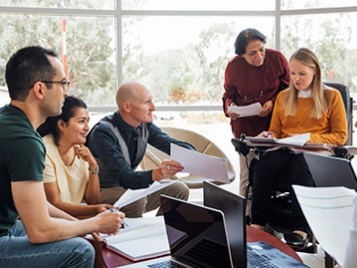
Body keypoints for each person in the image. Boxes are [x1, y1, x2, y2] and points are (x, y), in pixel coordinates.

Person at [0, 46, 124, 267]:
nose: (66, 92)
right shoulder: (25, 141)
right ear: (39, 89)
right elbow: (39, 230)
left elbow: (39, 205)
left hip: (6, 226)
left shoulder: (7, 120)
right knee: (80, 250)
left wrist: (78, 223)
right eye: (62, 84)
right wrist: (94, 224)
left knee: (73, 234)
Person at [251, 47, 347, 249]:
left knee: (301, 165)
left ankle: (300, 230)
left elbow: (340, 136)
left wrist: (310, 139)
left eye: (302, 74)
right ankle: (258, 224)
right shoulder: (284, 97)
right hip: (288, 148)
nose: (296, 79)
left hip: (317, 152)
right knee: (264, 164)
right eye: (293, 73)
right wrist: (268, 136)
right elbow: (276, 131)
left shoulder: (332, 96)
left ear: (315, 72)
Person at [86, 81, 195, 218]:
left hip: (126, 187)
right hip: (102, 191)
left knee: (179, 190)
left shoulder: (144, 125)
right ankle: (131, 237)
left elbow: (170, 143)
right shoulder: (103, 133)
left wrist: (191, 156)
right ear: (127, 107)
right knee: (135, 200)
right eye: (147, 102)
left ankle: (162, 232)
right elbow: (126, 178)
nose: (153, 107)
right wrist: (158, 173)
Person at [222, 28, 290, 197]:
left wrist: (273, 103)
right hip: (246, 128)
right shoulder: (233, 66)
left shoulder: (277, 58)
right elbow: (228, 96)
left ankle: (268, 218)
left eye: (262, 50)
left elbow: (289, 90)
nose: (259, 56)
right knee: (247, 176)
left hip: (273, 126)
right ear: (241, 55)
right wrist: (231, 107)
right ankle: (247, 217)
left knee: (272, 174)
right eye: (252, 53)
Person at [37, 95, 112, 218]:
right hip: (51, 219)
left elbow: (91, 200)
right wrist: (95, 210)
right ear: (61, 124)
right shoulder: (44, 150)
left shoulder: (81, 150)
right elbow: (54, 204)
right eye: (81, 121)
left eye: (87, 121)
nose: (87, 127)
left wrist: (93, 165)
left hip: (70, 217)